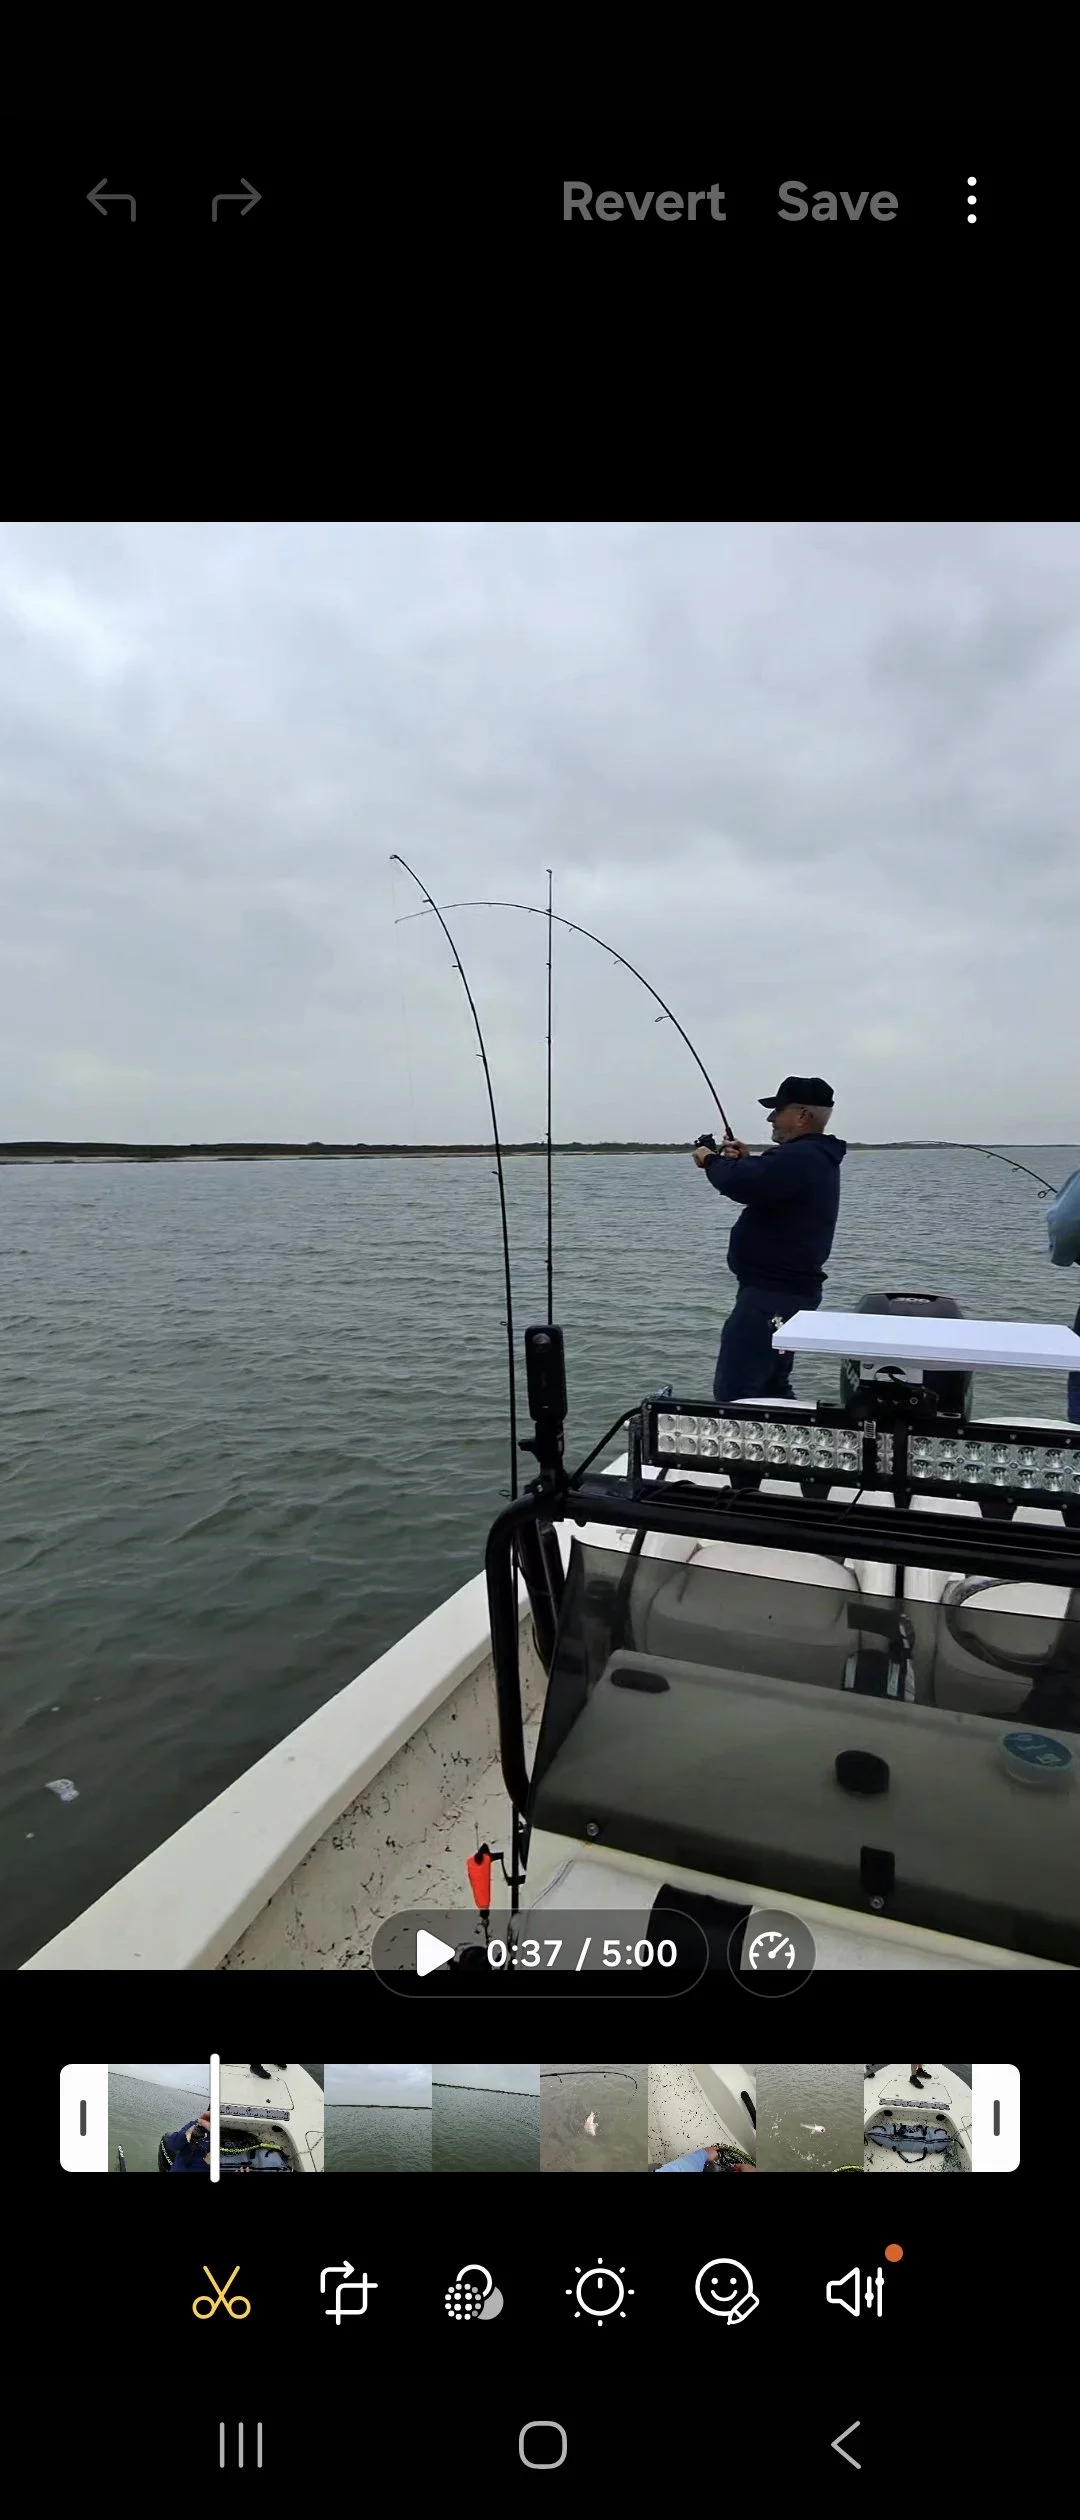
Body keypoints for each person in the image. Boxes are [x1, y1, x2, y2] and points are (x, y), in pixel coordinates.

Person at [693, 1075, 846, 1403]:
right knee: (772, 1387)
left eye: (777, 1110)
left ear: (803, 1115)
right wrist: (746, 1163)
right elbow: (763, 1182)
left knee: (737, 1392)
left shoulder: (801, 1157)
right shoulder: (811, 1157)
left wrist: (710, 1159)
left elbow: (742, 1185)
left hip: (771, 1297)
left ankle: (740, 1452)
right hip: (782, 1294)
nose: (770, 1118)